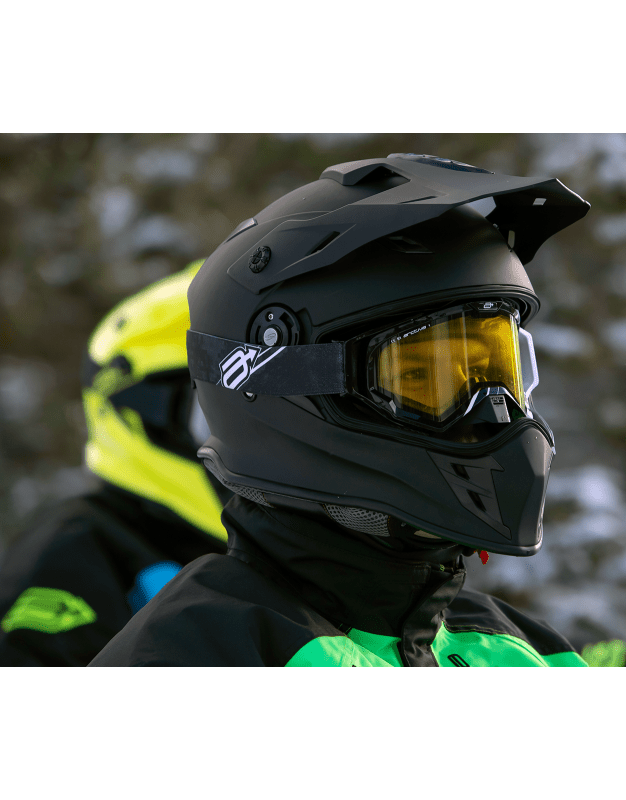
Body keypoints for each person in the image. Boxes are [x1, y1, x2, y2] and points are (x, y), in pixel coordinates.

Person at [89, 153, 594, 667]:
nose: (493, 414)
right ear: (283, 383)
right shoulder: (202, 653)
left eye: (500, 373)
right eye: (420, 377)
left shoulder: (521, 647)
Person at [0, 261, 230, 666]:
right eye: (219, 412)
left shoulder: (285, 542)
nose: (258, 439)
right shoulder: (75, 555)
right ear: (144, 417)